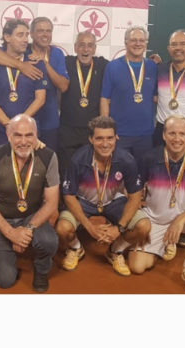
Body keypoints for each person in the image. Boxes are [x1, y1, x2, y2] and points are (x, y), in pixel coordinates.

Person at [128, 115, 185, 293]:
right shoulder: (149, 158)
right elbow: (133, 191)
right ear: (164, 135)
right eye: (172, 133)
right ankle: (164, 244)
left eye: (182, 134)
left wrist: (181, 219)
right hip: (156, 220)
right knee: (137, 267)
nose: (177, 139)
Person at [56, 116, 150, 276]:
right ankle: (76, 248)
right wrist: (89, 227)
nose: (105, 144)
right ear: (91, 139)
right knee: (63, 229)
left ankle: (115, 250)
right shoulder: (78, 159)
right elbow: (69, 196)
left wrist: (119, 228)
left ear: (116, 138)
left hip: (114, 201)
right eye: (99, 138)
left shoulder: (127, 160)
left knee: (144, 227)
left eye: (109, 138)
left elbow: (135, 196)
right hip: (83, 202)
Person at [0, 114, 59, 292]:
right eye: (18, 135)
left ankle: (41, 269)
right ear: (9, 136)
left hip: (31, 218)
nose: (23, 141)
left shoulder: (48, 156)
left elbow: (51, 203)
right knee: (5, 280)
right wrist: (10, 233)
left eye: (29, 135)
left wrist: (27, 230)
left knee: (49, 241)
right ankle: (6, 252)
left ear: (36, 135)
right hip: (2, 219)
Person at [0, 17, 69, 152]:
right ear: (33, 33)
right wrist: (21, 66)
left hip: (42, 122)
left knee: (40, 161)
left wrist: (44, 63)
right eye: (40, 31)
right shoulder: (22, 51)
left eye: (48, 31)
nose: (24, 39)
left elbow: (61, 87)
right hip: (2, 128)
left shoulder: (50, 56)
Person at [0, 19, 47, 150]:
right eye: (20, 35)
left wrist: (21, 125)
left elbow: (40, 99)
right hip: (0, 131)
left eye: (26, 35)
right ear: (7, 37)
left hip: (28, 132)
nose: (25, 40)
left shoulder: (36, 63)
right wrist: (9, 125)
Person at [100, 25, 157, 164]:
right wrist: (107, 130)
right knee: (118, 172)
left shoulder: (153, 67)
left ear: (146, 43)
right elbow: (105, 99)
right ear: (126, 42)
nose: (138, 44)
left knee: (143, 172)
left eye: (142, 40)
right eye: (133, 40)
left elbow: (157, 97)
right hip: (120, 134)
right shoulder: (112, 66)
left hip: (146, 135)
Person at [58, 31, 109, 178]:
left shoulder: (103, 65)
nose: (85, 50)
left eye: (90, 45)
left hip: (91, 131)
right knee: (66, 171)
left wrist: (155, 61)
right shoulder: (66, 62)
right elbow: (45, 55)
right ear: (75, 47)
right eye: (81, 45)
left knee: (90, 173)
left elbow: (124, 64)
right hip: (67, 130)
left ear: (94, 49)